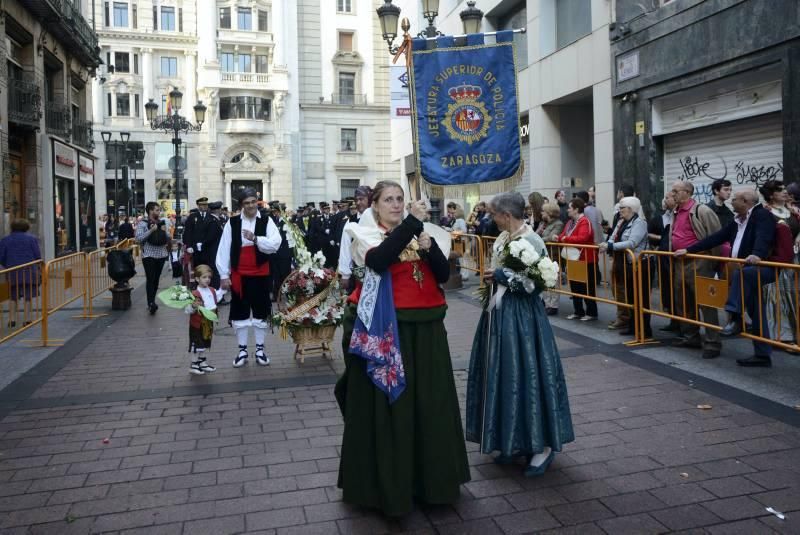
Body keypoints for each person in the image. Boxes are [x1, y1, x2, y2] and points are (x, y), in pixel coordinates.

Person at [334, 180, 469, 516]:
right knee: (392, 405)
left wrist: (429, 247)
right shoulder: (364, 231)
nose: (396, 204)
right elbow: (379, 261)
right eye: (389, 200)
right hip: (387, 329)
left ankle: (431, 481)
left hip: (427, 328)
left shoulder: (419, 231)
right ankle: (389, 485)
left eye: (400, 199)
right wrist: (411, 224)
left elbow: (440, 275)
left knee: (430, 404)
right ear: (375, 205)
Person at [466, 192, 574, 477]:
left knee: (527, 374)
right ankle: (513, 440)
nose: (491, 219)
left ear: (506, 215)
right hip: (500, 314)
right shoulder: (503, 238)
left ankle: (541, 447)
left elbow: (538, 283)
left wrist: (503, 277)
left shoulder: (532, 240)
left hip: (523, 318)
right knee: (504, 375)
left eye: (494, 215)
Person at [676, 189, 786, 367]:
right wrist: (689, 250)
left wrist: (757, 254)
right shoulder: (737, 221)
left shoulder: (761, 215)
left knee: (742, 274)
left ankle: (734, 316)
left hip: (760, 268)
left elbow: (763, 236)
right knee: (756, 311)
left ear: (745, 201)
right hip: (745, 270)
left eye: (734, 199)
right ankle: (762, 354)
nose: (731, 202)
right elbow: (717, 238)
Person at [216, 187, 282, 368]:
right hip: (239, 274)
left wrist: (256, 239)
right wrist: (223, 274)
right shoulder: (233, 222)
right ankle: (242, 350)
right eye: (247, 203)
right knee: (240, 311)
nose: (251, 205)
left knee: (261, 311)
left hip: (261, 272)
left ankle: (260, 349)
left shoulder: (267, 220)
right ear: (241, 205)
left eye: (253, 202)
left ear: (257, 202)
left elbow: (275, 244)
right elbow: (224, 248)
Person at [668, 180, 722, 359]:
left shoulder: (702, 210)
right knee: (683, 300)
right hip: (679, 262)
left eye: (676, 191)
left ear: (687, 192)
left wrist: (712, 262)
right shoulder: (675, 211)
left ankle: (713, 343)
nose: (672, 194)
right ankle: (691, 336)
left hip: (699, 261)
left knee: (705, 303)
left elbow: (716, 237)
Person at [600, 196, 651, 338]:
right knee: (630, 297)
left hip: (638, 264)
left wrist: (611, 246)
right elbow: (613, 236)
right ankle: (633, 326)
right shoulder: (621, 222)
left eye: (622, 207)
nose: (619, 210)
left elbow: (632, 242)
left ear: (631, 209)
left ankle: (644, 329)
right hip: (624, 263)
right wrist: (607, 243)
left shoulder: (640, 223)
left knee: (640, 297)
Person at [760, 179, 800, 345]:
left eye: (785, 189)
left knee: (795, 298)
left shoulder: (791, 211)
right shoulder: (765, 212)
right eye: (780, 190)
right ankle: (783, 337)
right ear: (771, 195)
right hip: (777, 261)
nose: (785, 192)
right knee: (779, 300)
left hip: (795, 260)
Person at [558, 197, 598, 321]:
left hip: (586, 259)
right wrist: (562, 238)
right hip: (573, 258)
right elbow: (562, 236)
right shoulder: (570, 223)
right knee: (575, 285)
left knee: (587, 286)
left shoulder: (584, 221)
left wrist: (565, 239)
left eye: (570, 208)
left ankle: (591, 313)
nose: (567, 210)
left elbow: (583, 238)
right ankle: (578, 311)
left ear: (576, 209)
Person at [0, 219, 42, 327]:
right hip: (29, 270)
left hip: (12, 271)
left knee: (13, 295)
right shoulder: (32, 239)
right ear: (26, 227)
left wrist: (7, 266)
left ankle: (12, 319)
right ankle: (27, 319)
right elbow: (37, 255)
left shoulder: (5, 240)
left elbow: (1, 257)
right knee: (28, 296)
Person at [185, 265, 224, 375]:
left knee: (205, 342)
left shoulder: (212, 290)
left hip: (208, 322)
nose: (207, 279)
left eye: (209, 277)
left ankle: (202, 363)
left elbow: (218, 297)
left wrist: (223, 288)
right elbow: (187, 310)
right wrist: (193, 306)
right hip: (197, 324)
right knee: (196, 344)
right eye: (204, 277)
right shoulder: (194, 294)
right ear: (197, 279)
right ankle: (194, 364)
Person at [648, 195, 679, 332]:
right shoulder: (659, 218)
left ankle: (684, 325)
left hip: (677, 260)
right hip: (664, 259)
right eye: (664, 197)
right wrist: (662, 239)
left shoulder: (681, 216)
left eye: (668, 197)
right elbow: (648, 233)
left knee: (679, 292)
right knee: (667, 290)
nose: (665, 200)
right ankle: (673, 320)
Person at [136, 202, 171, 314]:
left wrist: (166, 233)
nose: (158, 212)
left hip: (161, 254)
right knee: (150, 278)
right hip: (148, 255)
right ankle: (151, 303)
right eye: (156, 210)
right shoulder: (142, 223)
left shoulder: (162, 222)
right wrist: (151, 230)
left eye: (159, 210)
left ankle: (152, 300)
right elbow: (138, 239)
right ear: (150, 211)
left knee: (156, 279)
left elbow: (167, 238)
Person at [338, 185, 372, 290]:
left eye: (361, 199)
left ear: (370, 199)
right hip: (358, 273)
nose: (358, 203)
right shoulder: (351, 221)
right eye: (356, 200)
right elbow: (345, 247)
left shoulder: (378, 218)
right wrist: (345, 275)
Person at [540, 203, 564, 315]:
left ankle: (553, 305)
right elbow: (538, 236)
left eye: (544, 211)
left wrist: (542, 238)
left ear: (549, 213)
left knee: (553, 279)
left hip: (553, 255)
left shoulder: (558, 224)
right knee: (545, 279)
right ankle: (547, 302)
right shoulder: (544, 224)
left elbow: (552, 238)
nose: (542, 213)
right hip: (545, 255)